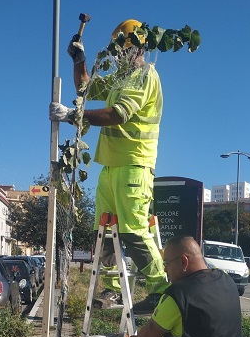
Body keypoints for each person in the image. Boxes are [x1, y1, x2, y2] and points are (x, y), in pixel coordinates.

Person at [49, 19, 168, 314]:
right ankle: (113, 290)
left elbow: (118, 114)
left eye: (124, 49)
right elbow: (85, 87)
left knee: (133, 231)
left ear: (140, 47)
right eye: (117, 50)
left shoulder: (144, 76)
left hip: (134, 165)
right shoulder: (121, 78)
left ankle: (161, 290)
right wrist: (79, 59)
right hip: (111, 167)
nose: (119, 56)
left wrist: (72, 116)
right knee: (105, 230)